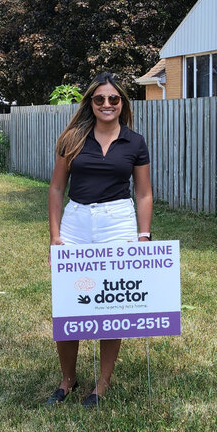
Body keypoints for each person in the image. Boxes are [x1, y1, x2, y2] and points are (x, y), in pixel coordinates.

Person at [46, 72, 153, 408]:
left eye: (114, 99)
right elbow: (56, 188)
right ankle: (68, 379)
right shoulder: (72, 139)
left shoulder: (135, 142)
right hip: (76, 222)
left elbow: (144, 193)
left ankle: (102, 383)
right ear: (90, 103)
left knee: (112, 303)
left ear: (123, 103)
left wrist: (144, 235)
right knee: (69, 304)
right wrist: (55, 236)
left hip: (118, 223)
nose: (107, 104)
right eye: (100, 99)